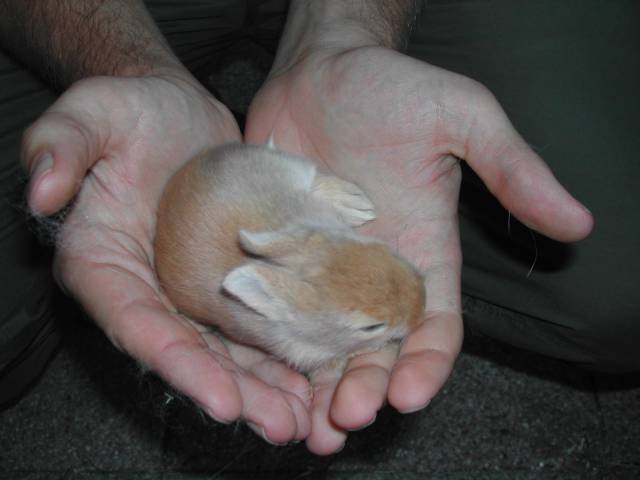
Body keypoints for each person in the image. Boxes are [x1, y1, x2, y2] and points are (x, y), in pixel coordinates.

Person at [0, 0, 636, 456]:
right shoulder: (282, 318)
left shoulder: (303, 242)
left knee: (619, 287)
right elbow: (295, 331)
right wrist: (128, 67)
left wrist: (343, 33)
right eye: (363, 329)